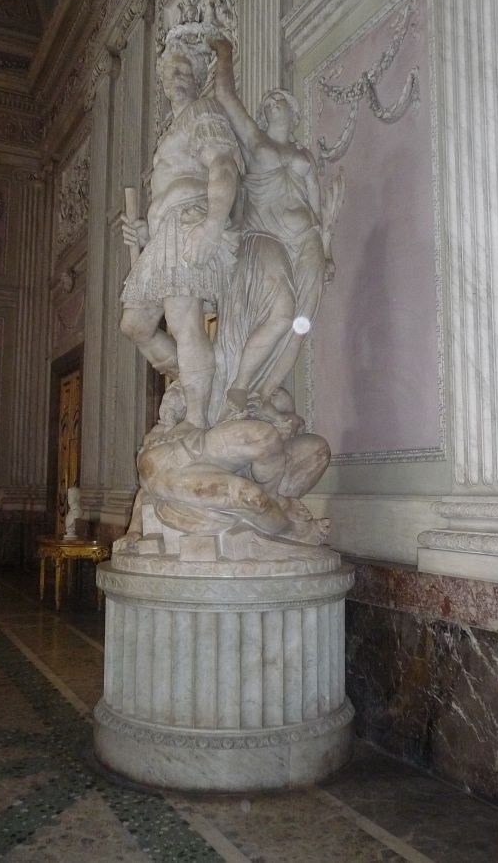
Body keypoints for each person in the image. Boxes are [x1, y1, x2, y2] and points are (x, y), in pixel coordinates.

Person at [208, 36, 336, 423]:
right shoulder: (255, 140)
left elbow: (316, 205)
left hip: (306, 240)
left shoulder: (304, 155)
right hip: (265, 238)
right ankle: (241, 385)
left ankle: (264, 395)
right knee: (283, 313)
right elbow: (226, 96)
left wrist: (327, 249)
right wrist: (225, 53)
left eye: (279, 99)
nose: (272, 101)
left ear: (294, 113)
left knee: (301, 322)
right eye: (268, 101)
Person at [119, 34, 240, 429]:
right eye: (172, 69)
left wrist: (213, 224)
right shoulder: (169, 133)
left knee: (183, 321)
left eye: (186, 68)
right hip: (163, 236)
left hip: (189, 223)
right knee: (135, 325)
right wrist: (145, 232)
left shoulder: (202, 112)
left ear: (198, 76)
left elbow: (223, 165)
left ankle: (197, 419)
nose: (178, 75)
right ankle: (200, 384)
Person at [136, 382, 330, 544]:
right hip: (184, 464)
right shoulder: (175, 415)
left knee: (316, 450)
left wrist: (284, 422)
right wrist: (134, 529)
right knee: (252, 497)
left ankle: (274, 504)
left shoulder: (268, 392)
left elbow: (289, 423)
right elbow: (150, 479)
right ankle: (289, 528)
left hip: (249, 461)